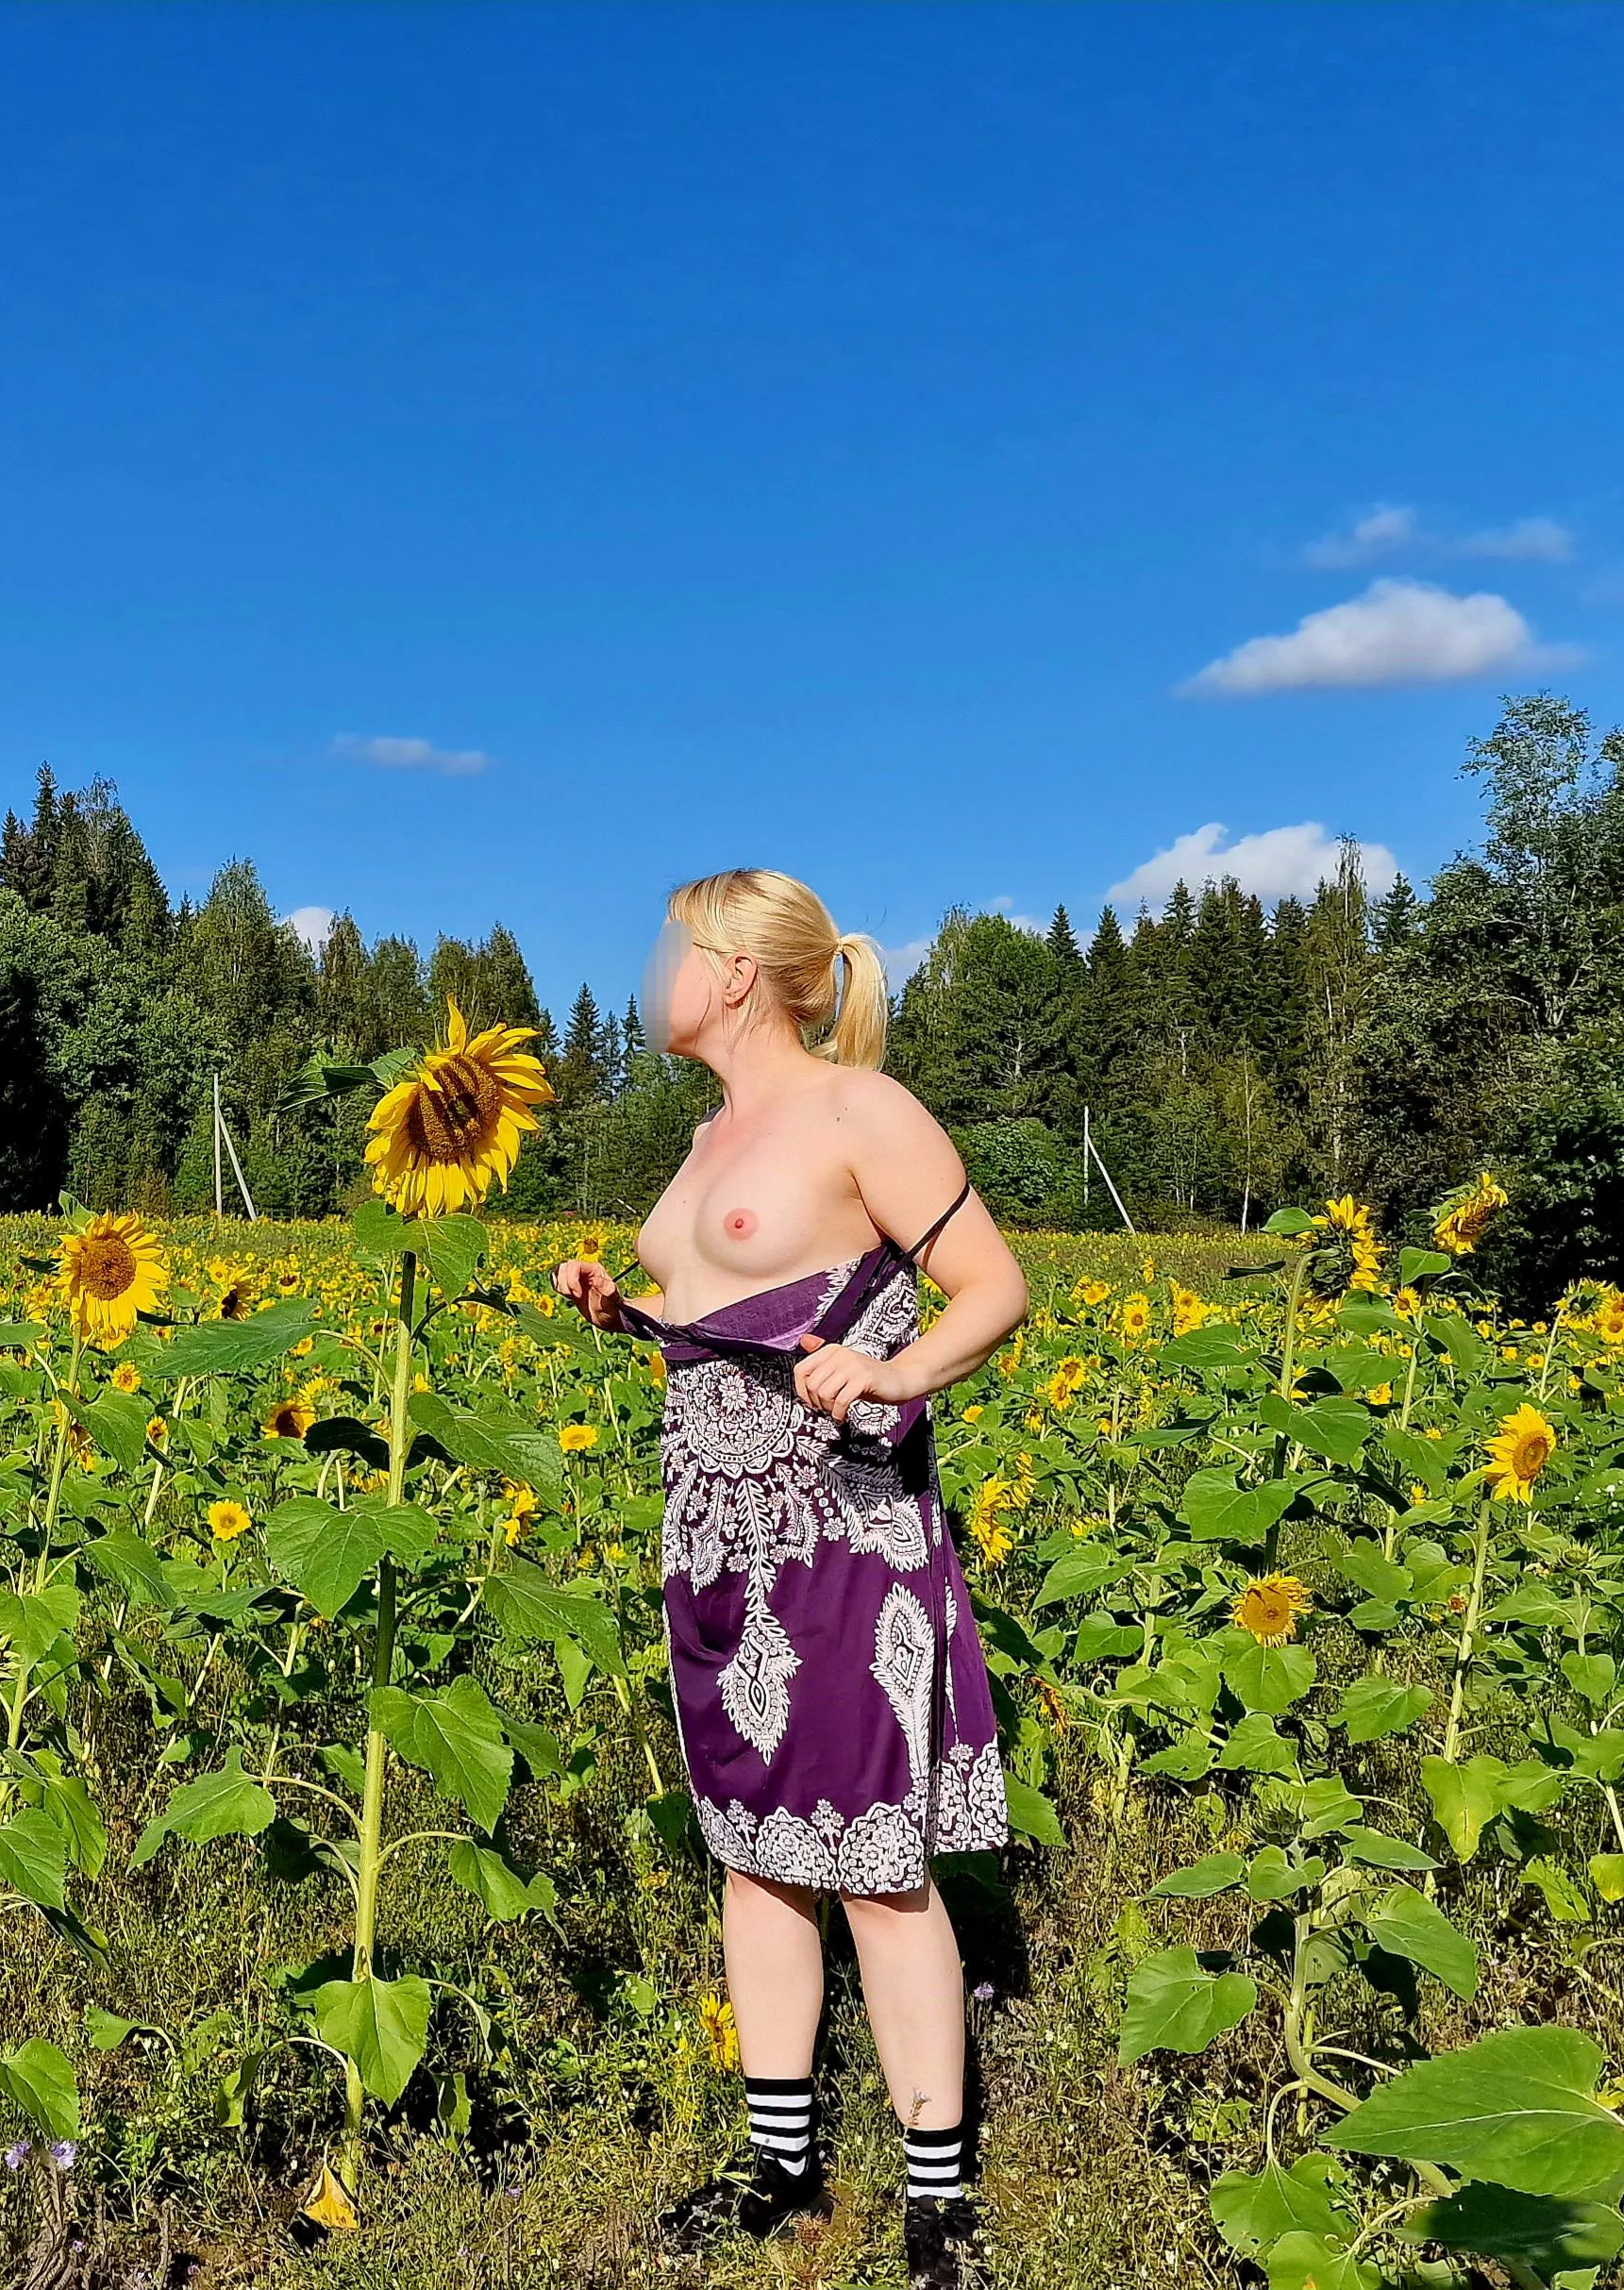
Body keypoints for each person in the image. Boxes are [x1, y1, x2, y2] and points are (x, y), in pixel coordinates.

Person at [553, 869, 1030, 2290]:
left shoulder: (857, 1109)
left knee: (877, 1865)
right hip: (705, 1540)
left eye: (670, 949)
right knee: (755, 1856)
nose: (653, 975)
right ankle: (782, 2171)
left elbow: (994, 1288)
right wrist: (620, 1302)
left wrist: (895, 1369)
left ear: (737, 971)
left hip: (837, 1531)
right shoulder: (706, 1136)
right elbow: (731, 1313)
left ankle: (939, 2204)